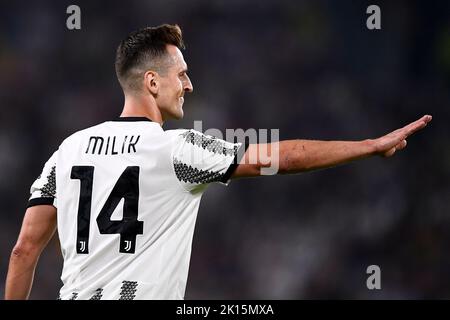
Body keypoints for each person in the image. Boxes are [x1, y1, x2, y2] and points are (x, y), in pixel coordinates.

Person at [5, 24, 432, 300]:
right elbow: (281, 158)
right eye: (182, 74)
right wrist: (367, 145)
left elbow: (25, 250)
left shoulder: (69, 149)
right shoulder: (178, 151)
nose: (189, 84)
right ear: (152, 82)